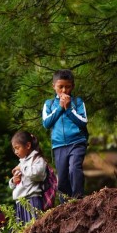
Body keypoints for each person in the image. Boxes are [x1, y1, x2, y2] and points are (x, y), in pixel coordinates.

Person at [42, 69, 89, 202]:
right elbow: (46, 123)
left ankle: (78, 199)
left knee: (74, 169)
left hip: (77, 142)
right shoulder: (49, 104)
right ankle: (65, 205)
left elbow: (83, 122)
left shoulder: (78, 102)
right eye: (60, 86)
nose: (64, 90)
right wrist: (60, 108)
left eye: (67, 87)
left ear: (72, 86)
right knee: (62, 177)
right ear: (54, 86)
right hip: (59, 145)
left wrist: (68, 109)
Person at [9, 131, 48, 223]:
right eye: (14, 149)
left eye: (17, 148)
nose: (15, 152)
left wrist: (22, 168)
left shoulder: (38, 159)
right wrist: (13, 181)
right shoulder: (22, 162)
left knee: (33, 230)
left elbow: (36, 174)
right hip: (20, 202)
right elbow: (13, 185)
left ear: (28, 145)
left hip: (32, 200)